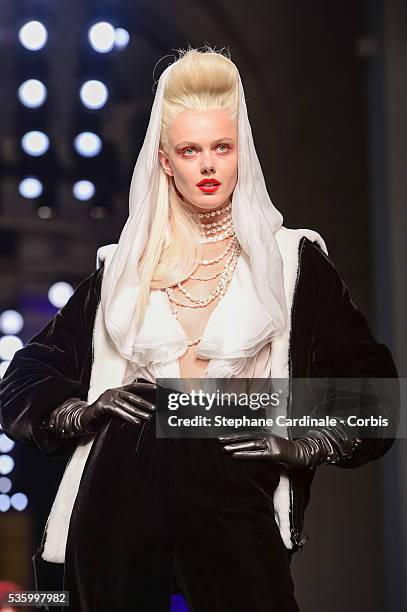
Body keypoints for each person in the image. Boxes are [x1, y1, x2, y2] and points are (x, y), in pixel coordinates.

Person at [0, 46, 399, 612]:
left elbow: (373, 395)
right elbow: (24, 375)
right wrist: (78, 411)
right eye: (190, 150)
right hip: (117, 492)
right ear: (166, 161)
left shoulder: (290, 261)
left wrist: (304, 441)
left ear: (242, 153)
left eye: (221, 147)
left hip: (232, 484)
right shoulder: (122, 269)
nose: (208, 165)